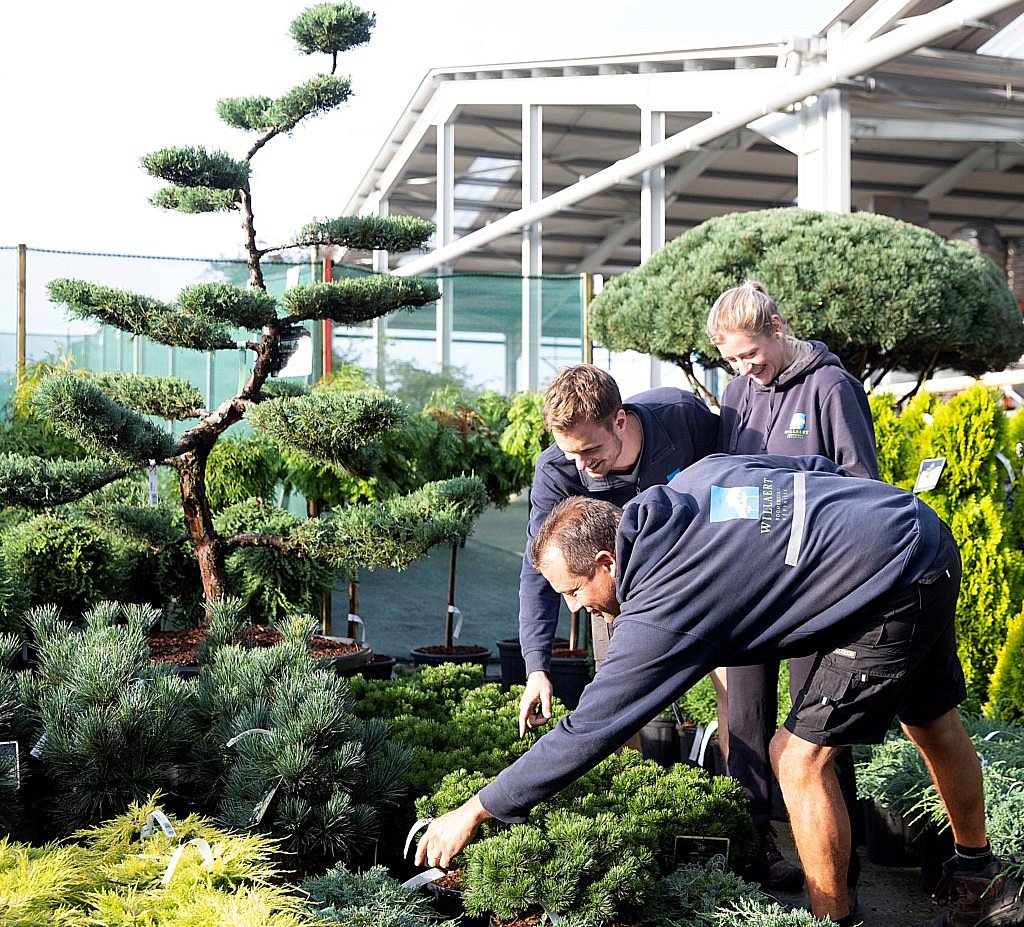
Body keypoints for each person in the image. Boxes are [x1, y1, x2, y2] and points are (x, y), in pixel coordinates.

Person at [416, 454, 1024, 927]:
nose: (577, 608)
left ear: (606, 560)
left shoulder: (663, 607)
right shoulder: (692, 482)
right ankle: (982, 880)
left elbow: (589, 730)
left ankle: (831, 919)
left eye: (574, 592)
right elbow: (813, 472)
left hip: (892, 581)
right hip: (912, 528)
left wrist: (477, 808)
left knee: (796, 759)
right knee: (931, 721)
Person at [708, 280, 879, 891]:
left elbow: (865, 488)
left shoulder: (831, 386)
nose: (743, 368)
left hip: (815, 588)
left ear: (777, 327)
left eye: (749, 353)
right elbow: (728, 483)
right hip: (753, 587)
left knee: (818, 731)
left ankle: (837, 867)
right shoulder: (735, 393)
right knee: (746, 718)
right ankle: (752, 855)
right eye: (731, 359)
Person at [516, 363, 718, 733]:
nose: (582, 465)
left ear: (620, 420)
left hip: (698, 576)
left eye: (590, 449)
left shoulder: (682, 416)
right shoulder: (556, 473)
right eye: (570, 453)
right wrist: (537, 667)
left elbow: (731, 477)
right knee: (620, 709)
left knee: (731, 693)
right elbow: (540, 569)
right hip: (612, 593)